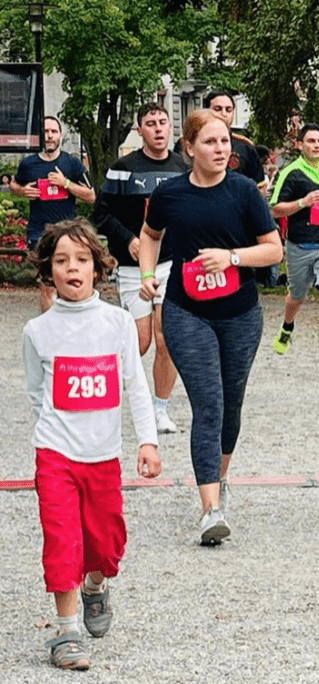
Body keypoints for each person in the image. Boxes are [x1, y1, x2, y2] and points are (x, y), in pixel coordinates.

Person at [139, 109, 282, 545]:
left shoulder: (244, 193)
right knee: (208, 403)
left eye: (226, 143)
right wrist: (148, 274)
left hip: (240, 314)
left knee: (231, 403)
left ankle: (219, 480)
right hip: (187, 312)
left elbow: (274, 250)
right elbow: (149, 234)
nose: (221, 150)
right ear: (189, 148)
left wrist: (232, 257)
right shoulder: (170, 194)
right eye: (211, 143)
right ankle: (210, 508)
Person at [23, 218, 161, 671]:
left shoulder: (118, 324)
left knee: (104, 543)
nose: (72, 268)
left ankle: (96, 588)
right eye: (61, 260)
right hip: (56, 455)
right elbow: (36, 392)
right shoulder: (36, 332)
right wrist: (57, 432)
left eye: (81, 259)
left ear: (98, 267)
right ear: (49, 270)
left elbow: (136, 386)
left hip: (103, 458)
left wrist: (147, 442)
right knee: (62, 540)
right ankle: (66, 633)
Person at [93, 102, 189, 435]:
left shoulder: (183, 168)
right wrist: (130, 239)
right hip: (134, 267)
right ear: (140, 130)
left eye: (164, 122)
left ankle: (159, 409)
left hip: (172, 264)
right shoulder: (122, 168)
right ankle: (115, 389)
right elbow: (102, 215)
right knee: (142, 342)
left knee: (168, 339)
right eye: (151, 123)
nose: (159, 129)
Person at [270, 123, 319, 376]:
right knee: (297, 296)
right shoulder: (291, 172)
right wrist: (303, 202)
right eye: (311, 141)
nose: (317, 146)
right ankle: (287, 326)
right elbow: (274, 208)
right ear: (300, 145)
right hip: (301, 245)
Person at [11, 116, 96, 311]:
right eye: (45, 132)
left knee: (71, 285)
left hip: (68, 233)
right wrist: (22, 191)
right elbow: (15, 183)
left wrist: (65, 183)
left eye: (53, 132)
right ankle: (50, 335)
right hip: (39, 232)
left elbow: (91, 196)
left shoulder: (72, 163)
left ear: (61, 135)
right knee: (47, 286)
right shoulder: (28, 164)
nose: (49, 136)